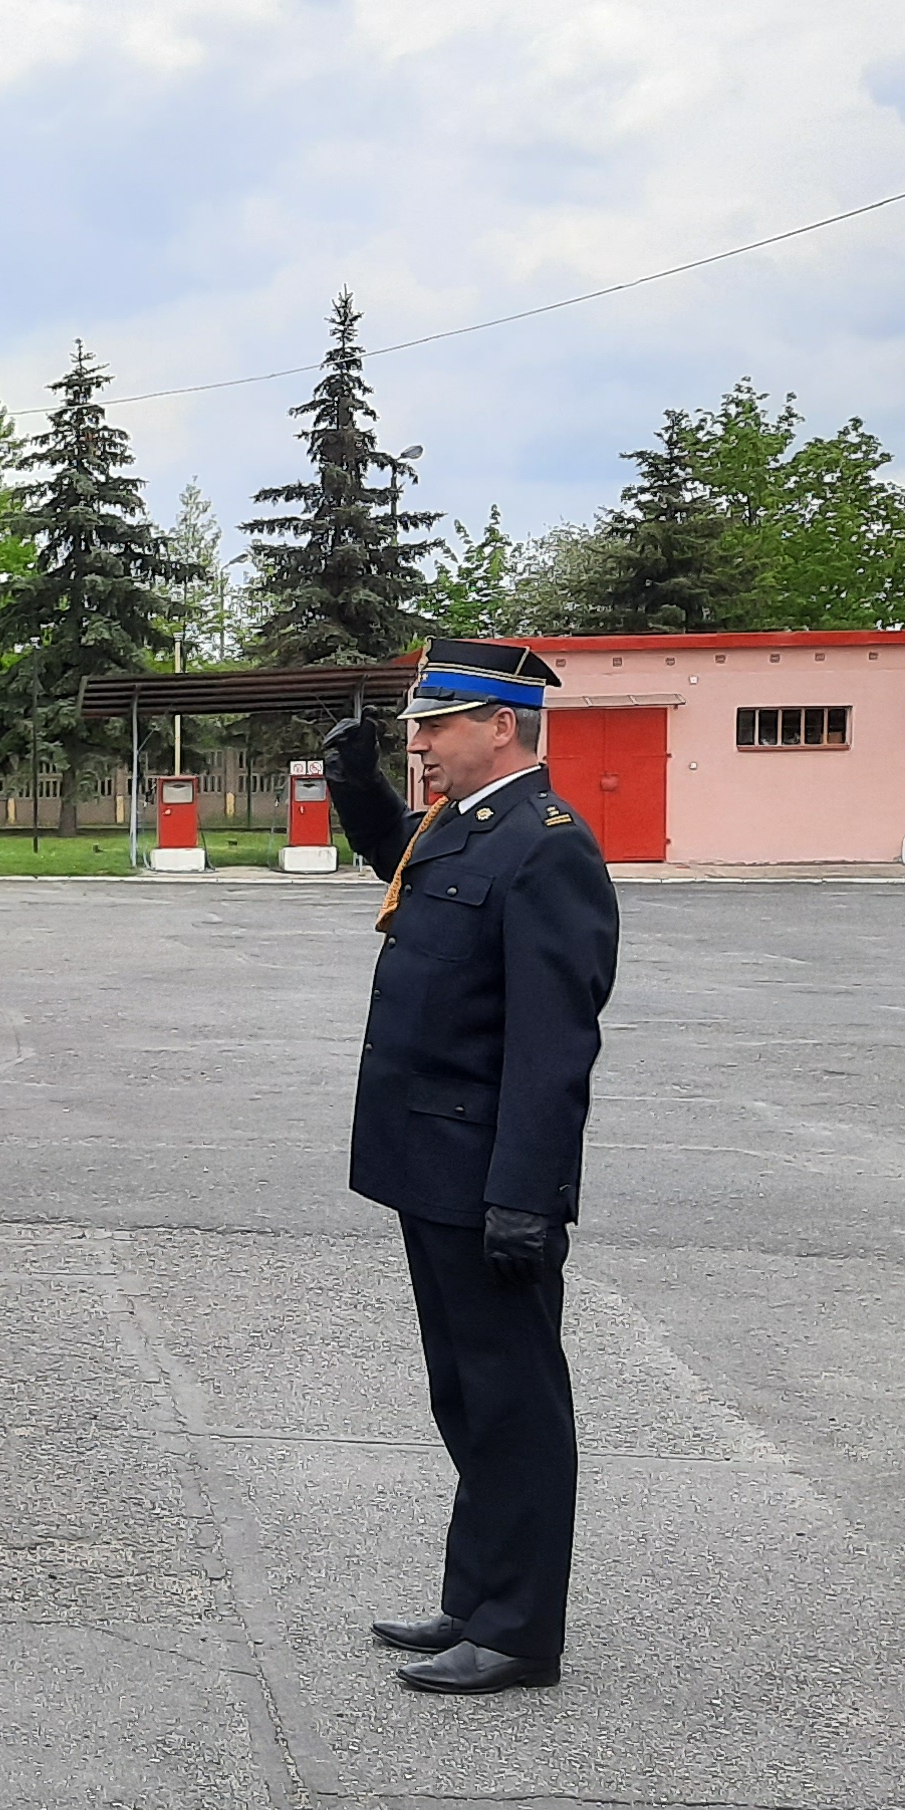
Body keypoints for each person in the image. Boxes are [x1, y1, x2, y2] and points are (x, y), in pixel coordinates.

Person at [322, 638, 621, 1693]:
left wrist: (525, 1195)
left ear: (502, 726)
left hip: (489, 1174)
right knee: (465, 1393)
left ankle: (520, 1632)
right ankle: (477, 1598)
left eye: (435, 726)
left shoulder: (547, 848)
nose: (420, 745)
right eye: (415, 729)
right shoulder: (465, 826)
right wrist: (355, 786)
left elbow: (553, 1042)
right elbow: (402, 861)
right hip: (432, 1161)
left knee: (513, 1402)